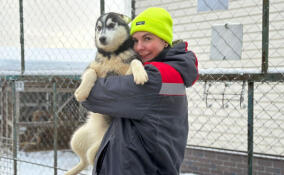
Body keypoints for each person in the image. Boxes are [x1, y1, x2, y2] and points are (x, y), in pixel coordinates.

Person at [82, 7, 199, 175]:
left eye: (147, 38)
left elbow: (91, 96)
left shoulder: (155, 77)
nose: (139, 47)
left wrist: (94, 73)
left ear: (165, 41)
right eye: (134, 41)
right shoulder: (172, 70)